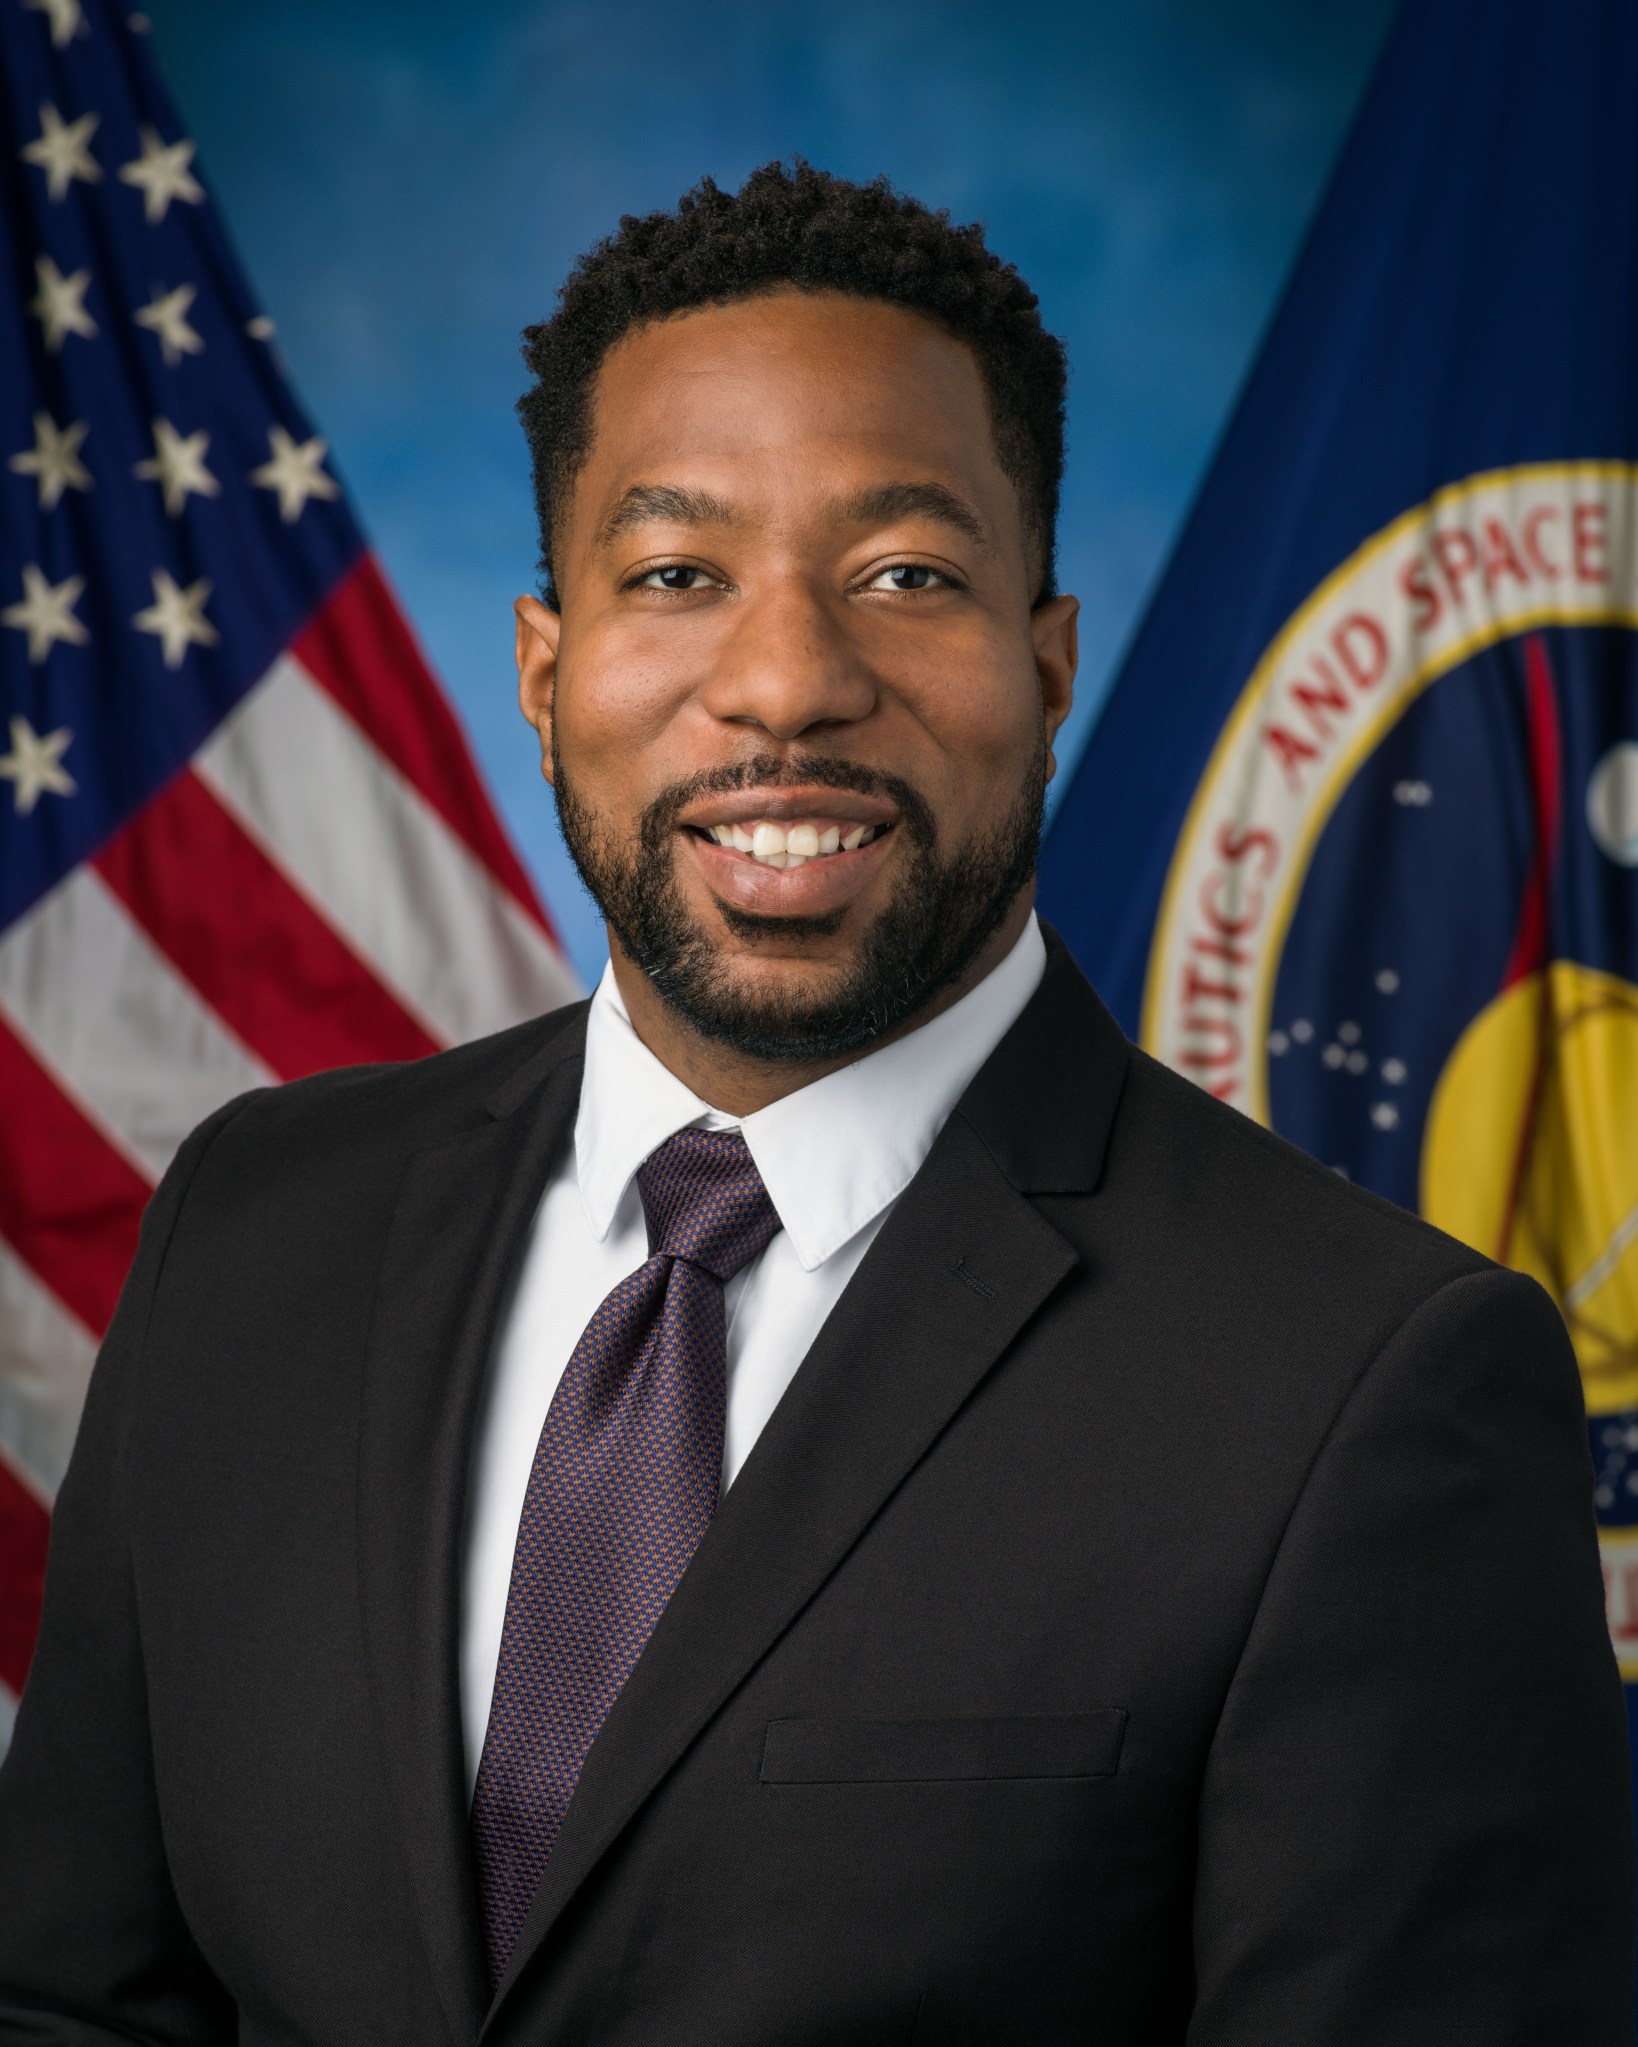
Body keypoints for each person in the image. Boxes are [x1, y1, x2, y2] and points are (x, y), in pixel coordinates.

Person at [0, 160, 1630, 2045]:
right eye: (677, 575)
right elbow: (75, 2001)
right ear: (547, 674)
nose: (784, 684)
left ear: (1044, 663)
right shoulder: (256, 1225)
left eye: (905, 576)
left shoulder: (1374, 1390)